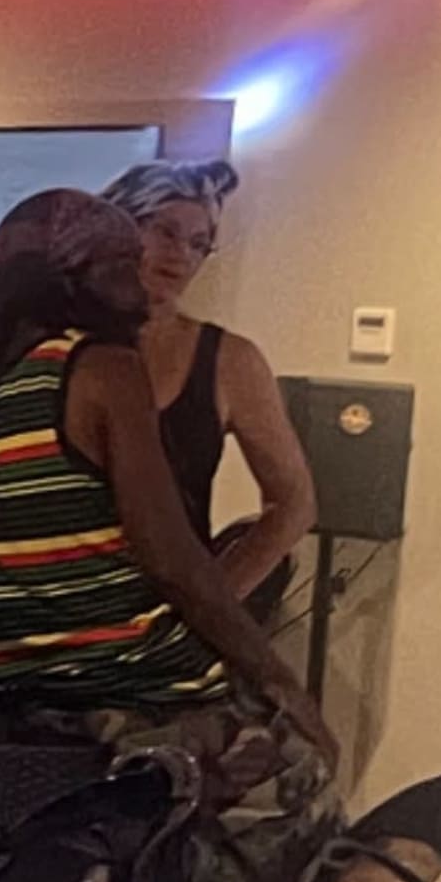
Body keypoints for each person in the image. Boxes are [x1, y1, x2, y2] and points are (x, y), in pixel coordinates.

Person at [0, 185, 336, 882]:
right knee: (295, 761)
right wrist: (284, 684)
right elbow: (170, 558)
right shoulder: (101, 367)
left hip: (11, 674)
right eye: (127, 261)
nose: (141, 282)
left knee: (198, 773)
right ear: (82, 275)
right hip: (124, 676)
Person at [104, 155, 315, 590]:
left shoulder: (229, 361)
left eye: (199, 244)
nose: (181, 254)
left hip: (164, 613)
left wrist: (214, 602)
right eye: (166, 232)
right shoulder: (58, 341)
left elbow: (294, 503)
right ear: (120, 227)